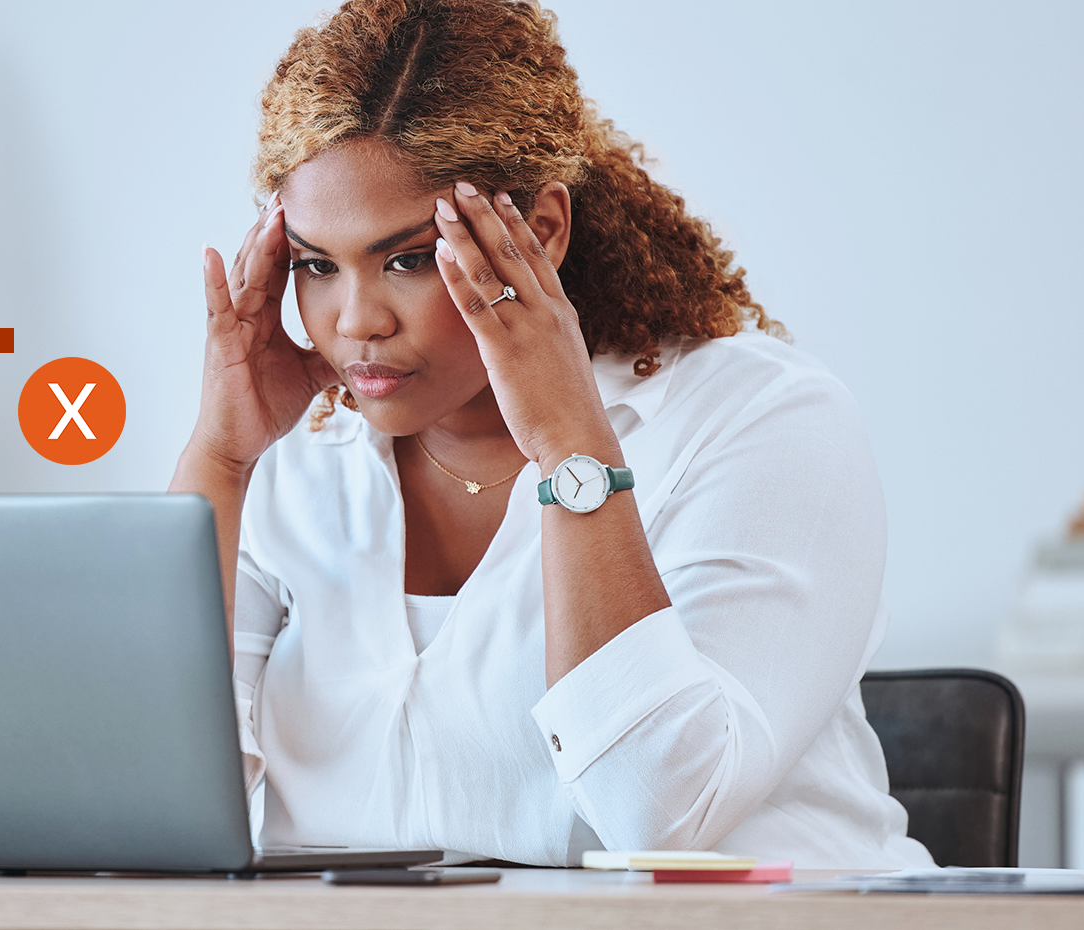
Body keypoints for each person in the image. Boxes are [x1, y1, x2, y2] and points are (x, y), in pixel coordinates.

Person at [169, 0, 934, 868]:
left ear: (540, 232)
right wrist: (220, 461)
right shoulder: (294, 461)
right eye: (316, 265)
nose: (355, 321)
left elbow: (656, 814)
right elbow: (149, 799)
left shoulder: (758, 420)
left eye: (407, 259)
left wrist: (571, 443)